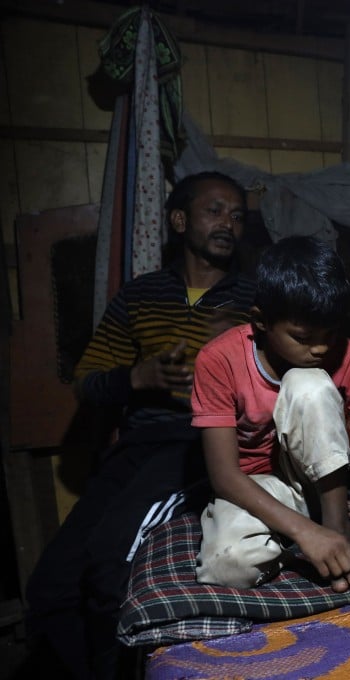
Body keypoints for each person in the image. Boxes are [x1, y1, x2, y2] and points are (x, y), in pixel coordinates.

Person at [25, 171, 256, 679]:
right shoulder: (142, 295)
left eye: (237, 216)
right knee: (51, 586)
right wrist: (137, 376)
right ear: (179, 220)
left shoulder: (256, 300)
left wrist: (245, 341)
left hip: (200, 444)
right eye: (215, 210)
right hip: (138, 444)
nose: (228, 224)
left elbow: (295, 377)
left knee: (110, 568)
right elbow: (86, 381)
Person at [191, 235, 350, 592]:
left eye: (330, 334)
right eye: (302, 337)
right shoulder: (218, 360)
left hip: (317, 481)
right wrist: (305, 534)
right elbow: (224, 476)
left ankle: (336, 528)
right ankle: (309, 545)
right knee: (225, 565)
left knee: (310, 384)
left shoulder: (344, 352)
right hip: (255, 487)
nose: (320, 347)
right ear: (260, 321)